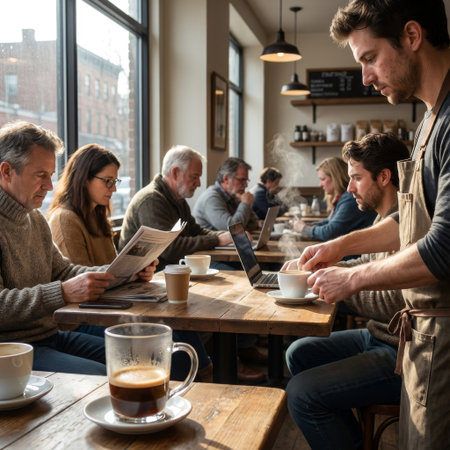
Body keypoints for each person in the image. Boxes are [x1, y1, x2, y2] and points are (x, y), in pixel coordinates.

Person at [295, 1, 450, 448]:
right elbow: (409, 218)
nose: (365, 76)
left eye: (369, 58)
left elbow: (443, 247)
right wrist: (339, 247)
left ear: (412, 37)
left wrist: (352, 278)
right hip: (422, 337)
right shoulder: (427, 121)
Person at [283, 133, 410, 449]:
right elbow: (367, 263)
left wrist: (338, 285)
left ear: (384, 177)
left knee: (300, 393)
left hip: (400, 352)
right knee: (298, 352)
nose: (349, 187)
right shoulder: (385, 217)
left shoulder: (410, 222)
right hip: (376, 336)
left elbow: (396, 300)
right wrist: (323, 271)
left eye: (356, 178)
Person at [0, 121, 152, 375]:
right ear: (6, 171)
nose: (49, 186)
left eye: (50, 175)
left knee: (146, 354)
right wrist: (62, 293)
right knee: (101, 377)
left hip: (49, 336)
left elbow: (65, 273)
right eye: (41, 175)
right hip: (11, 351)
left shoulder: (35, 219)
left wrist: (129, 271)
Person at [119, 145, 264, 382]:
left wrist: (222, 237)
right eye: (194, 176)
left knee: (227, 285)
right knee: (225, 284)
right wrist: (219, 237)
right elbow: (172, 247)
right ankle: (212, 370)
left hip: (165, 274)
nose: (199, 182)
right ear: (175, 173)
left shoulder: (176, 200)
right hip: (147, 279)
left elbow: (196, 231)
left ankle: (228, 360)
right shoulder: (152, 200)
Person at [292, 156, 376, 241]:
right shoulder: (344, 197)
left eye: (323, 179)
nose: (320, 185)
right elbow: (331, 221)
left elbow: (330, 233)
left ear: (335, 178)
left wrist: (304, 229)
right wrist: (311, 225)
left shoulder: (350, 199)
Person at [193, 157, 261, 232]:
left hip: (230, 242)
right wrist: (245, 204)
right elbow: (233, 229)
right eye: (241, 180)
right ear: (226, 179)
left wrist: (244, 208)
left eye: (246, 180)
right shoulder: (211, 198)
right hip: (213, 243)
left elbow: (254, 222)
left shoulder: (234, 194)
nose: (245, 185)